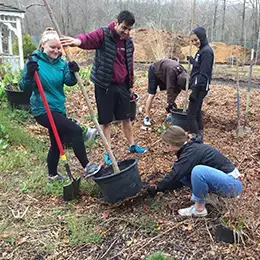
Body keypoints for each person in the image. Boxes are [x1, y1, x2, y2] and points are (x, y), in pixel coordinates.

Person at [60, 10, 146, 165]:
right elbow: (88, 39)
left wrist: (130, 85)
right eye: (124, 28)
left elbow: (130, 64)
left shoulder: (128, 42)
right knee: (106, 120)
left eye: (129, 29)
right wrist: (77, 41)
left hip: (122, 86)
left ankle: (132, 145)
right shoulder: (104, 34)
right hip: (104, 85)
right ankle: (108, 152)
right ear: (116, 22)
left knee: (126, 117)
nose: (125, 32)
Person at [19, 27, 101, 182]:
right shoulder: (33, 62)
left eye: (59, 48)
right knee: (76, 130)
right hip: (42, 109)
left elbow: (69, 82)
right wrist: (29, 74)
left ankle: (52, 175)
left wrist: (73, 72)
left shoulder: (61, 64)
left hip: (58, 108)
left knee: (57, 143)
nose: (56, 51)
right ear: (43, 45)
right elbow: (24, 87)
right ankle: (87, 165)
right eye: (52, 47)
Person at [146, 126, 242, 217]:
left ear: (174, 143)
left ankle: (199, 209)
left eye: (167, 144)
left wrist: (158, 187)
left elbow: (176, 174)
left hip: (232, 185)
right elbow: (179, 178)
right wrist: (162, 188)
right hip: (225, 182)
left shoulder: (191, 152)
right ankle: (209, 197)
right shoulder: (189, 148)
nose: (166, 147)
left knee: (198, 171)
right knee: (187, 174)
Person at [187, 27, 214, 139]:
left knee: (190, 115)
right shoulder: (201, 51)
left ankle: (195, 139)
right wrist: (193, 60)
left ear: (202, 37)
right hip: (198, 86)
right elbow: (199, 65)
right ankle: (199, 135)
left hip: (200, 87)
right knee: (197, 112)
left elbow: (204, 73)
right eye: (192, 41)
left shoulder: (207, 52)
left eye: (196, 40)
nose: (194, 42)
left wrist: (195, 91)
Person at [144, 58, 187, 126]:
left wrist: (171, 102)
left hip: (164, 71)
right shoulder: (172, 73)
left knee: (174, 92)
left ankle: (169, 114)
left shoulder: (184, 73)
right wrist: (170, 103)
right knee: (152, 94)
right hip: (154, 70)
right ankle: (146, 116)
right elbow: (170, 89)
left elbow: (177, 89)